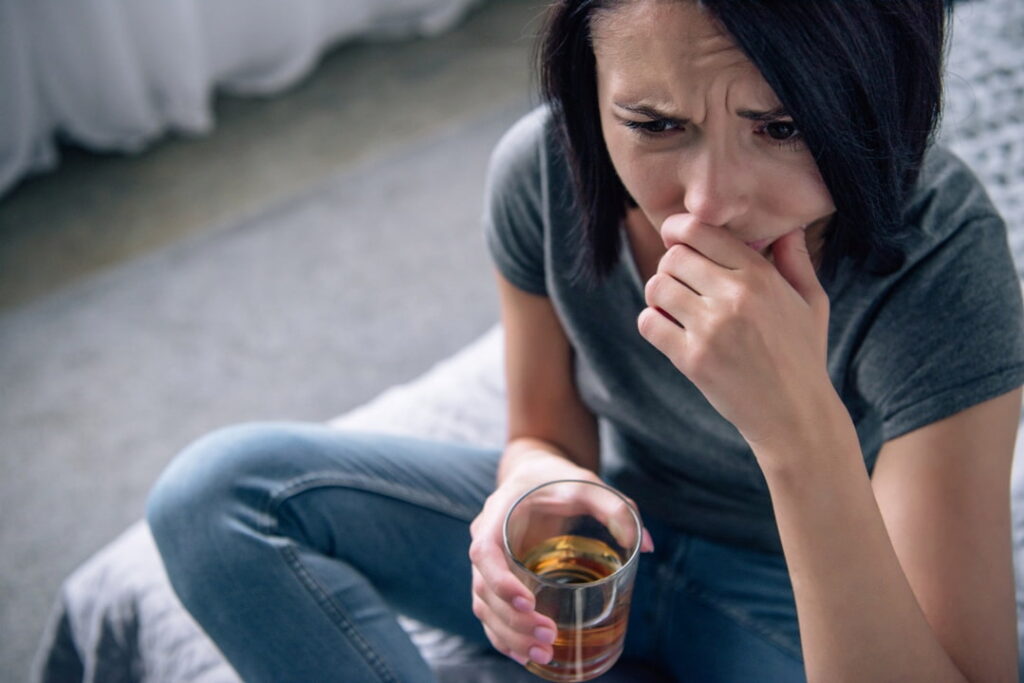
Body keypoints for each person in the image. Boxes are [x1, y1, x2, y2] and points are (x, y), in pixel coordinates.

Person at [146, 0, 1024, 681]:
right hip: (620, 542)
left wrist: (797, 427)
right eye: (654, 125)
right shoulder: (546, 173)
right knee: (218, 495)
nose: (706, 203)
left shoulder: (941, 259)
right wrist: (533, 485)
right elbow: (546, 430)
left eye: (782, 127)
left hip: (798, 595)